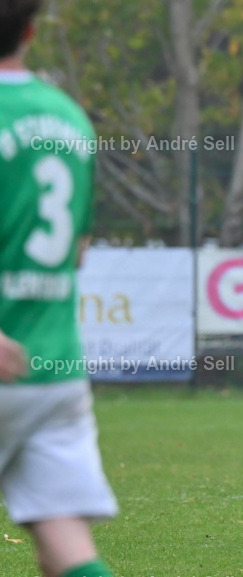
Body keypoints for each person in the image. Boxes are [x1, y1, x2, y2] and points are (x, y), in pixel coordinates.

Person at [0, 2, 118, 576]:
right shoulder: (69, 118)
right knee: (65, 546)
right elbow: (77, 248)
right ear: (30, 30)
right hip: (52, 370)